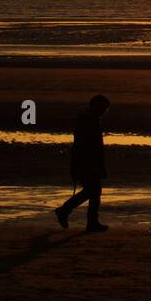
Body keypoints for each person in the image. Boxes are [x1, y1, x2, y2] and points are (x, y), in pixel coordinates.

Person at [55, 94, 111, 231]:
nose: (105, 112)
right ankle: (68, 211)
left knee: (93, 191)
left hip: (86, 162)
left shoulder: (89, 119)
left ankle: (87, 220)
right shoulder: (88, 121)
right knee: (93, 191)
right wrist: (95, 165)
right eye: (104, 109)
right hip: (87, 163)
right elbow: (87, 146)